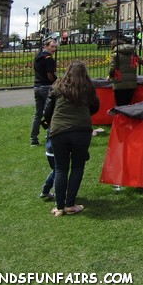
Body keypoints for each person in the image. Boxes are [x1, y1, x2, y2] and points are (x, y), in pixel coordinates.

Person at [42, 60, 100, 216]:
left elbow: (48, 110)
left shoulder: (58, 87)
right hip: (81, 130)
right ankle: (70, 204)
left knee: (61, 168)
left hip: (59, 130)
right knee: (77, 167)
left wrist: (49, 122)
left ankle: (60, 207)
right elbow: (96, 106)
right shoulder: (87, 88)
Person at [108, 37, 143, 106]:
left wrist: (110, 76)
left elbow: (112, 68)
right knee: (128, 104)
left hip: (119, 84)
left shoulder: (115, 55)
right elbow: (142, 61)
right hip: (131, 84)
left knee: (120, 105)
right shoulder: (132, 53)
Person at [31, 38, 57, 146]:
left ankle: (34, 139)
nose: (54, 49)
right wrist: (57, 82)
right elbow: (50, 75)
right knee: (51, 113)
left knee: (38, 113)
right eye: (52, 46)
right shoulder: (48, 59)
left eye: (55, 46)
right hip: (46, 87)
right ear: (45, 46)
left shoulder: (38, 57)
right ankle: (50, 135)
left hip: (37, 87)